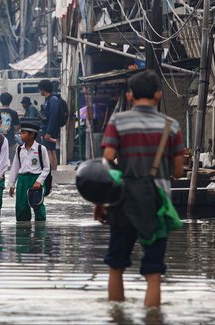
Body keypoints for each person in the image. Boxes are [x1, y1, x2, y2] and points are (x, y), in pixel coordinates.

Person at [94, 70, 184, 307]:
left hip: (123, 199)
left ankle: (116, 316)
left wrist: (100, 202)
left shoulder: (117, 122)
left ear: (130, 96)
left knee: (116, 265)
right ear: (158, 95)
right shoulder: (171, 126)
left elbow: (107, 161)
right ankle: (153, 317)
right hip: (158, 203)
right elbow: (177, 172)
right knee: (154, 271)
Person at [8, 120, 50, 221]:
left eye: (23, 133)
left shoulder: (41, 149)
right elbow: (15, 167)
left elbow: (46, 168)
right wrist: (12, 184)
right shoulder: (19, 149)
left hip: (35, 179)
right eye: (20, 133)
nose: (21, 135)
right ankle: (22, 233)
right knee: (21, 207)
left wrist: (39, 181)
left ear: (32, 135)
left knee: (38, 205)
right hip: (22, 180)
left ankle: (40, 232)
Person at [38, 79, 60, 170]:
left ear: (43, 89)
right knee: (51, 150)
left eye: (40, 89)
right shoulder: (48, 100)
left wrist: (48, 132)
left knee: (49, 150)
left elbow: (53, 116)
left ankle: (51, 170)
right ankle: (53, 170)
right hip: (48, 129)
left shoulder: (53, 100)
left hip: (50, 130)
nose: (40, 91)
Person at [0, 92, 20, 164]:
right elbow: (16, 128)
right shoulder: (14, 113)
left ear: (0, 100)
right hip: (11, 141)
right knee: (14, 163)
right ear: (10, 101)